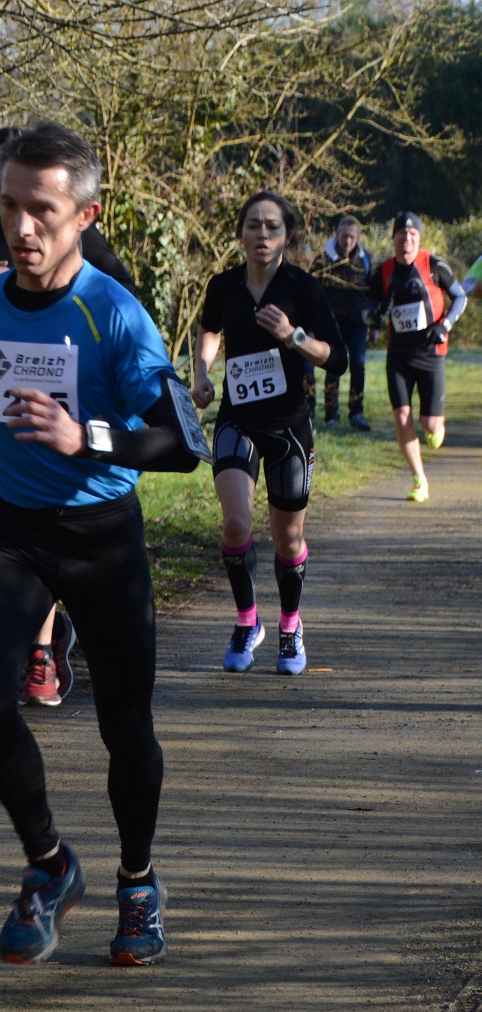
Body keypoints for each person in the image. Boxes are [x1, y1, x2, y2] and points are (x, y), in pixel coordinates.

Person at [0, 123, 209, 966]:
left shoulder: (112, 314)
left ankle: (139, 882)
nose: (21, 227)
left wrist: (89, 439)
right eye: (8, 205)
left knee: (126, 727)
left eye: (41, 210)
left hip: (102, 537)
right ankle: (50, 866)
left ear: (85, 216)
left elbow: (182, 443)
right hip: (13, 530)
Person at [0, 126, 137, 709]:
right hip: (1, 429)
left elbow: (122, 296)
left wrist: (86, 429)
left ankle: (47, 641)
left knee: (127, 724)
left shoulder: (71, 234)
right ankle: (38, 645)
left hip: (87, 471)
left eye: (4, 174)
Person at [193, 192, 347, 675]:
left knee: (288, 539)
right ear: (240, 233)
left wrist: (293, 336)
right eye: (253, 225)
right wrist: (201, 372)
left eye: (272, 226)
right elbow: (210, 329)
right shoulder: (223, 285)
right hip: (237, 420)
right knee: (235, 524)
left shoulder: (302, 287)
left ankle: (290, 624)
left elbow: (338, 358)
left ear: (288, 235)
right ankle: (247, 622)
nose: (262, 234)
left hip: (288, 427)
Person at [363, 212, 466, 502]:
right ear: (394, 238)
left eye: (412, 234)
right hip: (398, 355)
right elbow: (368, 311)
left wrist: (445, 325)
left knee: (430, 424)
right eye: (401, 234)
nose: (406, 238)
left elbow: (460, 296)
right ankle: (419, 479)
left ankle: (436, 426)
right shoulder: (383, 272)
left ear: (418, 238)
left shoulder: (433, 264)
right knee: (402, 415)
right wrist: (376, 315)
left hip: (431, 352)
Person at [310, 216, 376, 431]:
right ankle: (331, 416)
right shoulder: (322, 261)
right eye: (344, 236)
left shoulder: (366, 261)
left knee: (358, 364)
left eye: (352, 237)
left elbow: (375, 295)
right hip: (332, 326)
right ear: (336, 235)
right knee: (333, 368)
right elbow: (310, 295)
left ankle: (357, 413)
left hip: (357, 325)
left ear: (358, 237)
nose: (348, 241)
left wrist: (375, 326)